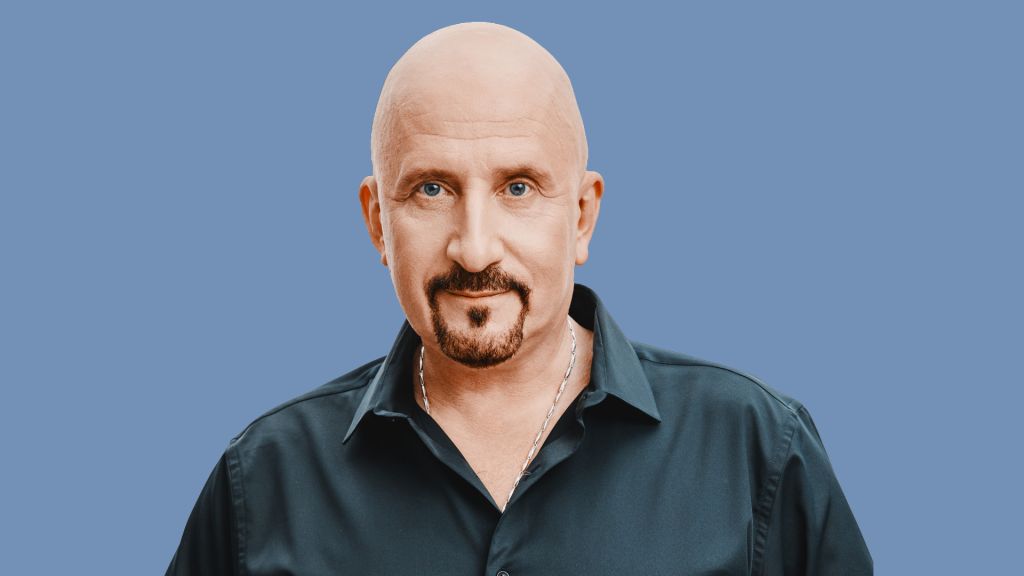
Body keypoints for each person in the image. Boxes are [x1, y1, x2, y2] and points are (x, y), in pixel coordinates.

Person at [166, 21, 872, 575]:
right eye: (432, 189)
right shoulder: (262, 481)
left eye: (518, 188)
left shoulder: (756, 449)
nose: (475, 249)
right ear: (378, 221)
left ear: (582, 216)